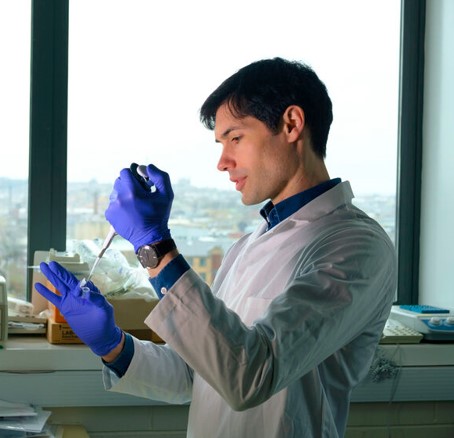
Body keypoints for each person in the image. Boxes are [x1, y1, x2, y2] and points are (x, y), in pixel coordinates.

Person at [36, 57, 397, 438]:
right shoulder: (247, 247)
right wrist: (113, 345)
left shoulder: (357, 246)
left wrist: (155, 247)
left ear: (291, 124)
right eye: (220, 143)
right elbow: (199, 372)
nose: (223, 163)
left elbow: (251, 376)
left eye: (235, 138)